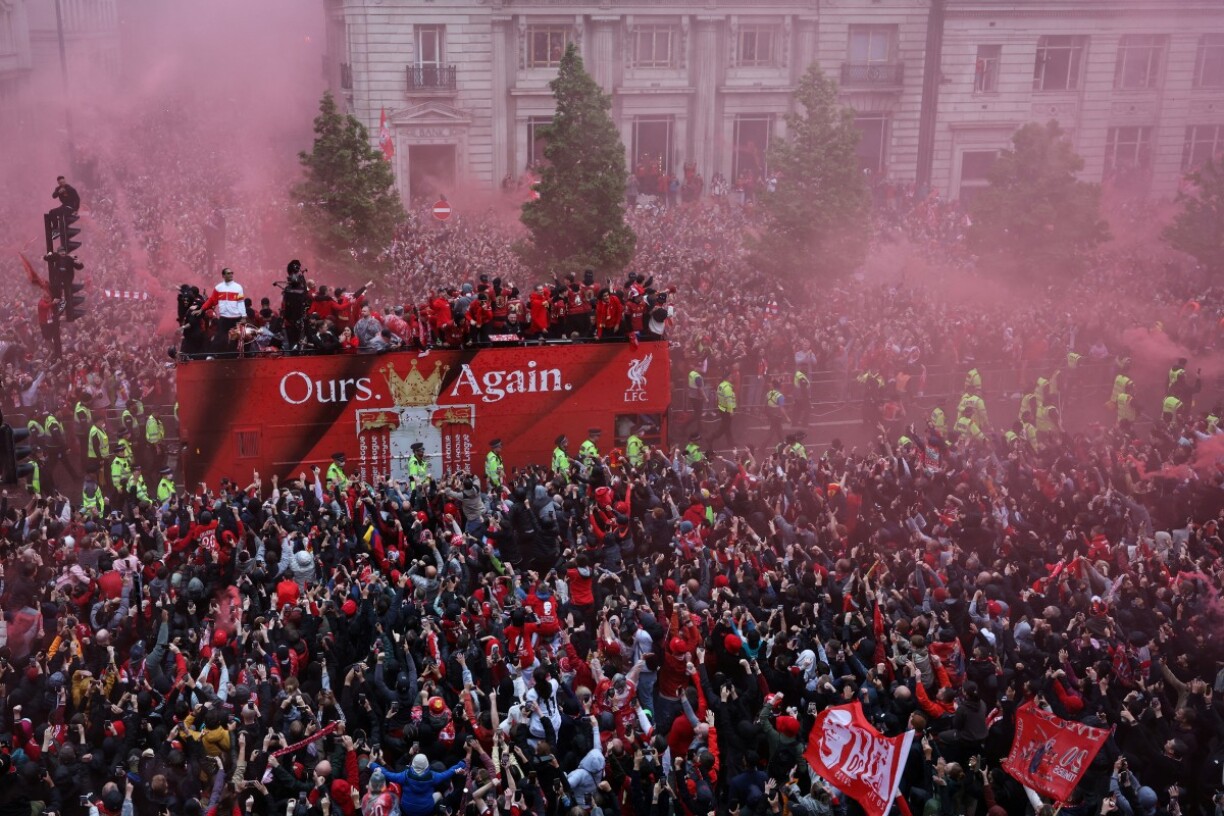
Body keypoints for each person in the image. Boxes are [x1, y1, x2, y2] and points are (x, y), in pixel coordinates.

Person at [194, 267, 246, 353]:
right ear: (223, 275)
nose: (231, 275)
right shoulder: (218, 288)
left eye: (231, 273)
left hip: (236, 317)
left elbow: (241, 302)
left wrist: (243, 316)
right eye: (228, 273)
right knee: (219, 337)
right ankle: (213, 355)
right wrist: (202, 309)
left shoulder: (238, 288)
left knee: (236, 337)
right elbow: (212, 300)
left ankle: (234, 356)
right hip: (224, 318)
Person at [708, 374, 736, 450]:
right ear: (727, 378)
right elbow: (729, 400)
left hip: (722, 408)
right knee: (724, 427)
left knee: (727, 426)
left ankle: (730, 442)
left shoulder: (721, 385)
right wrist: (731, 411)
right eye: (730, 377)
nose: (732, 378)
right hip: (726, 410)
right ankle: (711, 438)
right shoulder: (727, 387)